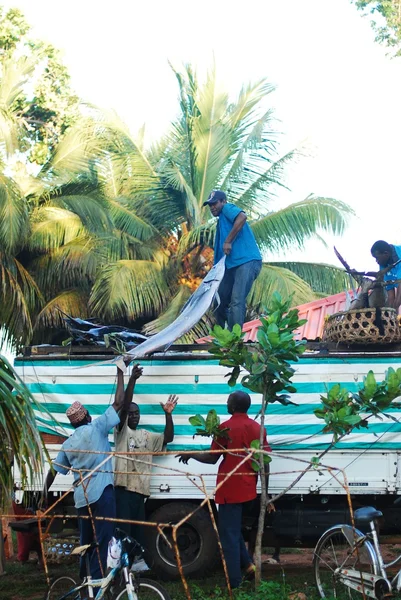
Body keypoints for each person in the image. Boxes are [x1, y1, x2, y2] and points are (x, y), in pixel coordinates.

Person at [41, 370, 129, 583]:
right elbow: (119, 402)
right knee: (103, 540)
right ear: (87, 416)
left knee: (86, 542)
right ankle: (97, 585)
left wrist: (45, 497)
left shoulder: (68, 443)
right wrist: (120, 372)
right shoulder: (97, 428)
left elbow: (53, 472)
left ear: (73, 424)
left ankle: (85, 583)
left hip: (82, 499)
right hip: (102, 495)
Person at [177, 391, 270, 589]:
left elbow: (212, 458)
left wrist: (191, 454)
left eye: (228, 401)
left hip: (230, 489)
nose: (226, 403)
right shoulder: (258, 428)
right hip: (249, 489)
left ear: (234, 406)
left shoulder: (224, 428)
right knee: (232, 530)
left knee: (228, 535)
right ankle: (248, 566)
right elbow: (265, 462)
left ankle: (234, 583)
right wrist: (266, 492)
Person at [114, 363, 178, 570]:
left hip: (140, 491)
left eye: (136, 413)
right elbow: (123, 407)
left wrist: (168, 414)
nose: (134, 415)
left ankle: (134, 565)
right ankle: (121, 567)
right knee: (123, 530)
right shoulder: (121, 433)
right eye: (131, 413)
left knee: (137, 531)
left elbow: (168, 437)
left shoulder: (146, 436)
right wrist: (132, 379)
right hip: (123, 489)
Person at [203, 190, 262, 330]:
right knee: (219, 302)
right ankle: (223, 335)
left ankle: (234, 340)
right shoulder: (221, 224)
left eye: (215, 203)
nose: (212, 207)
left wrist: (228, 241)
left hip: (246, 261)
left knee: (237, 300)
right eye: (210, 205)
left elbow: (242, 217)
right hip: (231, 266)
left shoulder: (227, 209)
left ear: (223, 201)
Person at [371, 240, 401, 310]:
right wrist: (390, 314)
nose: (376, 261)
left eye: (377, 258)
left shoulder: (399, 257)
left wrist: (394, 308)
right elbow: (390, 295)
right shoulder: (383, 265)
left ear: (386, 254)